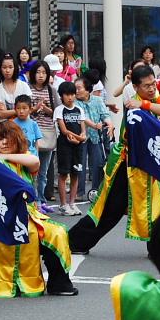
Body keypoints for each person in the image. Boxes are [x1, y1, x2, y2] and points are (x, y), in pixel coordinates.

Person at [68, 65, 160, 254]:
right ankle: (74, 241)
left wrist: (146, 104)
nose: (152, 89)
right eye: (147, 86)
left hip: (145, 165)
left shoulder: (145, 102)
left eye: (153, 84)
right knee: (110, 208)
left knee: (158, 204)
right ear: (135, 87)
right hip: (126, 165)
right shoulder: (133, 109)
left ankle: (159, 246)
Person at [0, 121, 78, 297]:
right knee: (27, 234)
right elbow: (18, 187)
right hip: (3, 220)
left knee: (58, 232)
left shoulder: (18, 158)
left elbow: (35, 161)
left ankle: (59, 283)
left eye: (8, 138)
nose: (4, 142)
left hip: (29, 215)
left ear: (18, 139)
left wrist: (6, 156)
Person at [27, 60, 59, 213]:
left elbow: (57, 112)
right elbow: (23, 111)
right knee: (33, 169)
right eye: (38, 72)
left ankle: (42, 199)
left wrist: (44, 108)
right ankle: (34, 201)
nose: (41, 75)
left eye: (44, 72)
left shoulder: (51, 90)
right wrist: (35, 108)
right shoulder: (27, 88)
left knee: (44, 171)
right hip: (32, 134)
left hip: (48, 132)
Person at [74, 76, 113, 200]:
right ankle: (79, 192)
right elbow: (82, 117)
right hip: (81, 136)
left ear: (87, 89)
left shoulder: (97, 100)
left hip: (96, 136)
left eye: (79, 88)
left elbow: (105, 114)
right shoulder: (75, 102)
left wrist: (110, 124)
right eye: (75, 88)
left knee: (98, 162)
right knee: (80, 163)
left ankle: (95, 190)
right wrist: (95, 125)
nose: (76, 91)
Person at [53, 81, 87, 216]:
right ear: (61, 96)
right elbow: (64, 130)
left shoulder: (80, 109)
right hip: (64, 146)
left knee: (75, 174)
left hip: (78, 147)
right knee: (63, 174)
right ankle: (63, 204)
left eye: (72, 94)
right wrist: (80, 138)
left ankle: (72, 203)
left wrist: (82, 136)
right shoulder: (59, 110)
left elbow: (83, 128)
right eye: (67, 94)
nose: (70, 97)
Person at [0, 54, 32, 120]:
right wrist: (21, 109)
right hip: (5, 128)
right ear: (0, 69)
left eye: (10, 67)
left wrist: (7, 112)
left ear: (15, 68)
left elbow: (29, 109)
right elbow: (1, 114)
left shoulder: (24, 86)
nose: (7, 71)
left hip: (23, 128)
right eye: (4, 67)